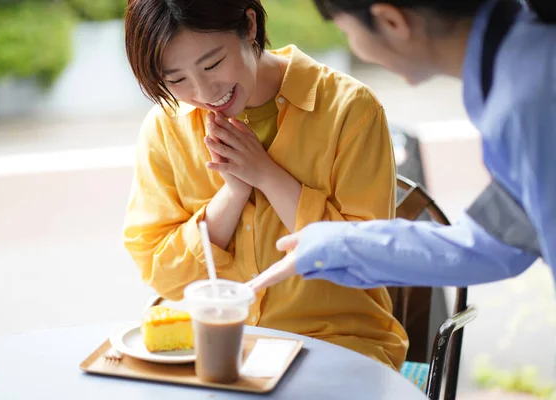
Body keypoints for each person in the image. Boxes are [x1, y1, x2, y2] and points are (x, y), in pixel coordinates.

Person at [122, 0, 409, 370]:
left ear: (250, 25)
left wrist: (267, 176)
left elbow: (368, 260)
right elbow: (161, 273)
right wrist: (233, 194)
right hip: (209, 345)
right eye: (176, 79)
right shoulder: (165, 127)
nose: (205, 91)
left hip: (335, 345)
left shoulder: (351, 110)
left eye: (212, 64)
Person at [247, 0, 556, 295]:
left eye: (347, 32)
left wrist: (335, 244)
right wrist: (334, 244)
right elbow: (498, 241)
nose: (354, 47)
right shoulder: (524, 62)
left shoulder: (526, 103)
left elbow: (496, 245)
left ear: (392, 21)